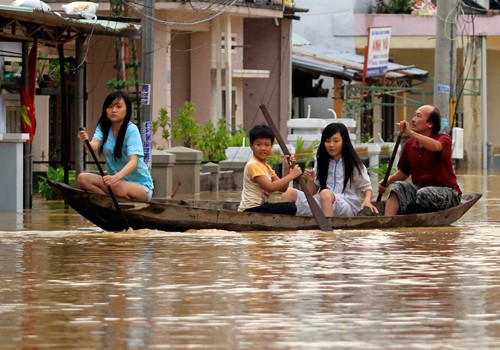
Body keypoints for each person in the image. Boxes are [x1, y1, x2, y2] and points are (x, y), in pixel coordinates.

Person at [378, 105, 462, 216]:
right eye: (414, 115)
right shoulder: (409, 144)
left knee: (423, 194)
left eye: (418, 116)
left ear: (430, 124)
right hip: (420, 191)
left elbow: (436, 146)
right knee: (398, 186)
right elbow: (404, 172)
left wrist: (410, 133)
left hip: (447, 192)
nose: (413, 119)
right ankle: (387, 221)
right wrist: (387, 181)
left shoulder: (444, 139)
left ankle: (411, 212)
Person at [282, 123, 378, 217]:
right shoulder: (321, 161)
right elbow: (311, 193)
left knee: (325, 193)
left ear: (344, 142)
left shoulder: (353, 164)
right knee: (288, 193)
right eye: (327, 141)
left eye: (336, 141)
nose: (331, 145)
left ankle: (328, 231)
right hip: (324, 202)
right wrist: (311, 181)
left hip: (347, 206)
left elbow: (367, 187)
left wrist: (367, 201)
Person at [77, 91, 154, 201]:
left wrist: (115, 178)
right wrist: (85, 141)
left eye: (118, 107)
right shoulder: (103, 127)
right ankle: (108, 203)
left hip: (140, 187)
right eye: (110, 107)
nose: (113, 110)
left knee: (117, 187)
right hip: (114, 185)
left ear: (127, 110)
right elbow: (93, 146)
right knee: (82, 179)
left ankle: (110, 201)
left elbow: (133, 162)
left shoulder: (131, 129)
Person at [238, 124, 303, 215]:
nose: (263, 148)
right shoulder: (253, 165)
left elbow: (283, 188)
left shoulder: (266, 167)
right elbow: (270, 187)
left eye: (267, 145)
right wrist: (292, 175)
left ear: (271, 146)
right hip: (251, 209)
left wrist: (286, 168)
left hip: (260, 207)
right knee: (290, 207)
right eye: (258, 144)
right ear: (251, 146)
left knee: (290, 206)